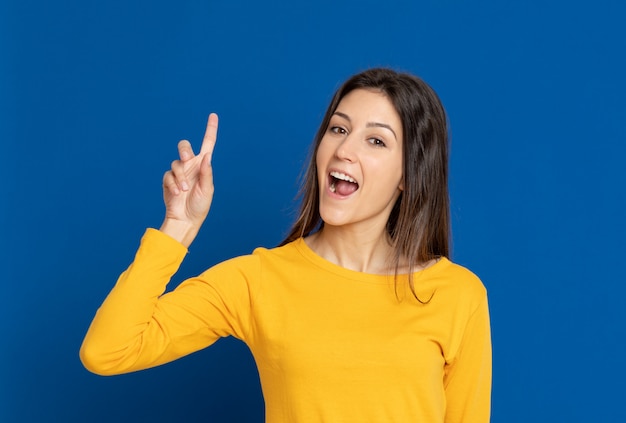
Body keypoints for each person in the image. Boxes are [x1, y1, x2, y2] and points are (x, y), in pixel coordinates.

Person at [80, 68, 492, 422]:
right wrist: (177, 227)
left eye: (377, 141)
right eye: (339, 128)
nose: (344, 150)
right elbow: (107, 350)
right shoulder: (259, 279)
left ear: (409, 174)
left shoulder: (458, 295)